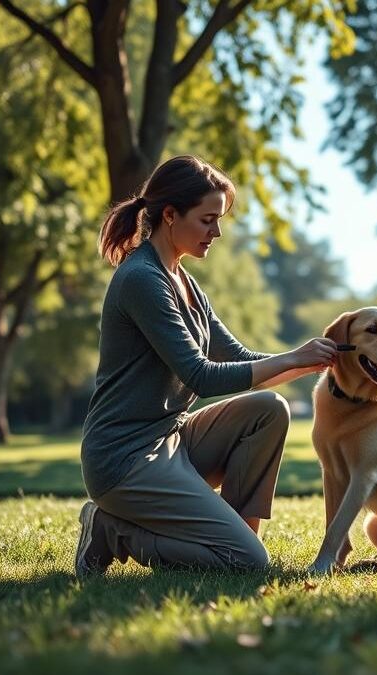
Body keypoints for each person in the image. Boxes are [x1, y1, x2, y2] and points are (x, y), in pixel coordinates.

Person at [74, 156, 338, 579]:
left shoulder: (185, 281)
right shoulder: (142, 279)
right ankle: (111, 530)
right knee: (249, 562)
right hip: (124, 459)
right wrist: (293, 357)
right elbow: (200, 374)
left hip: (171, 440)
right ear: (170, 215)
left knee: (269, 409)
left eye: (219, 220)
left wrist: (313, 361)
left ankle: (237, 539)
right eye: (207, 220)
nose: (216, 232)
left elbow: (238, 358)